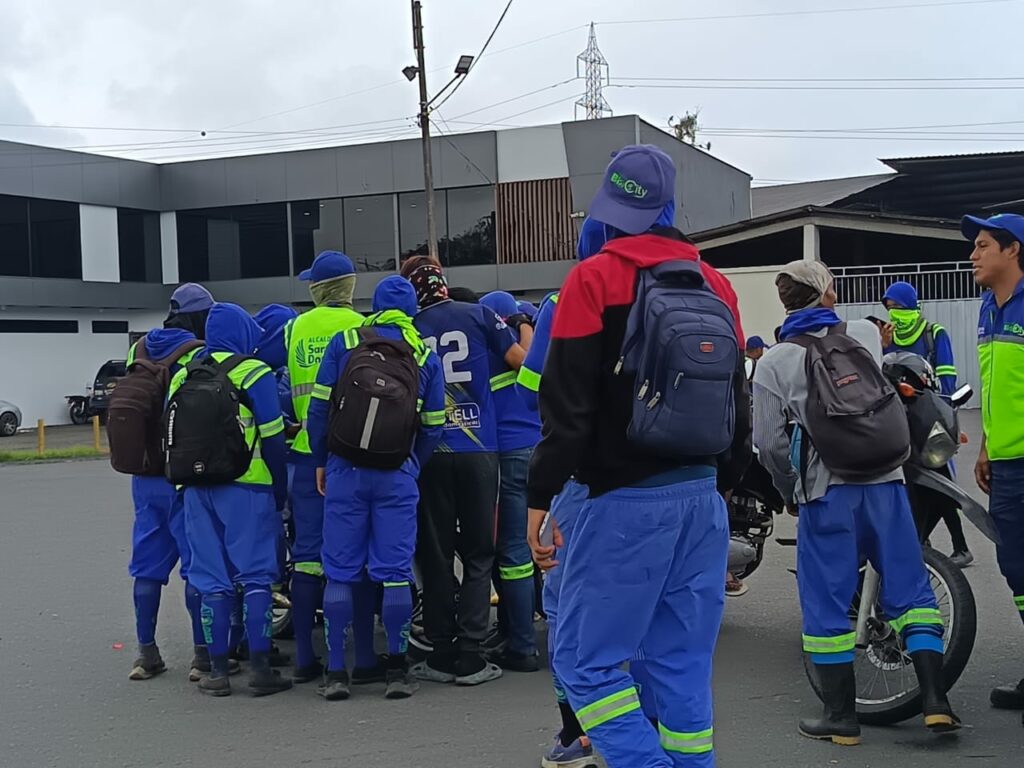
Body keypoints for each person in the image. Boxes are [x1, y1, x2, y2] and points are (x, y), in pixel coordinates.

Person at [526, 144, 751, 768]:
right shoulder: (716, 284)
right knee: (678, 665)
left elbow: (565, 409)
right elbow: (738, 399)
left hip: (618, 503)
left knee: (586, 662)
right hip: (701, 500)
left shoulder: (593, 278)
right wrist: (722, 483)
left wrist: (539, 499)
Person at [753, 260, 960, 745]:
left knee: (826, 605)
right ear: (827, 295)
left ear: (785, 302)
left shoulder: (773, 362)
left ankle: (841, 718)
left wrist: (790, 492)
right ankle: (935, 702)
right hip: (887, 481)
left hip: (827, 493)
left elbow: (768, 445)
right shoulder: (866, 333)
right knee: (912, 592)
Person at [307, 276, 446, 701]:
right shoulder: (424, 352)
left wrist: (322, 460)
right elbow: (434, 428)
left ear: (375, 306)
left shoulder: (346, 340)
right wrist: (410, 464)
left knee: (341, 571)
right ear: (411, 311)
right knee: (395, 573)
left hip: (345, 468)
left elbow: (318, 408)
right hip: (397, 472)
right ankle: (398, 670)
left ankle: (335, 672)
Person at [400, 255, 526, 685]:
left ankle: (440, 648)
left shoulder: (410, 325)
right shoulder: (481, 314)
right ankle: (472, 652)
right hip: (479, 448)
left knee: (433, 554)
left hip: (429, 451)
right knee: (479, 552)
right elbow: (518, 361)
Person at [170, 303, 291, 697]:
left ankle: (217, 671)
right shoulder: (254, 373)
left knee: (211, 581)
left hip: (195, 491)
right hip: (247, 487)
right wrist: (278, 489)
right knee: (255, 578)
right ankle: (260, 669)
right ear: (243, 333)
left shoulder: (182, 376)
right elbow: (273, 437)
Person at [278, 251, 367, 685]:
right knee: (355, 556)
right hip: (355, 454)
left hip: (304, 452)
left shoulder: (294, 326)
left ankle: (304, 659)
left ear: (318, 289)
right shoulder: (361, 328)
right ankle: (360, 652)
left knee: (308, 556)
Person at [961, 213, 1024, 723]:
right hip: (1005, 462)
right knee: (1016, 566)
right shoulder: (988, 308)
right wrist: (985, 446)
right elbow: (994, 387)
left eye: (983, 245)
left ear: (1013, 250)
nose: (973, 255)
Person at [125, 324, 214, 682]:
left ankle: (146, 653)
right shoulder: (196, 352)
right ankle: (202, 655)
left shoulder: (139, 351)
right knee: (195, 566)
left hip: (144, 477)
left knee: (147, 566)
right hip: (181, 474)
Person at [880, 281, 972, 567]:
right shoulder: (886, 336)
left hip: (928, 420)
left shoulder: (934, 333)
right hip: (896, 421)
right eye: (889, 308)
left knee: (938, 480)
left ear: (911, 305)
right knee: (905, 483)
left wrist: (950, 421)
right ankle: (920, 542)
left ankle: (958, 545)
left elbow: (947, 378)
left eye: (897, 307)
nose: (893, 313)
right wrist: (880, 344)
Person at [480, 290, 542, 673]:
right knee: (533, 546)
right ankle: (517, 629)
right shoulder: (525, 349)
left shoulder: (487, 350)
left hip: (506, 455)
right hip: (538, 450)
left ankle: (520, 644)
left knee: (512, 552)